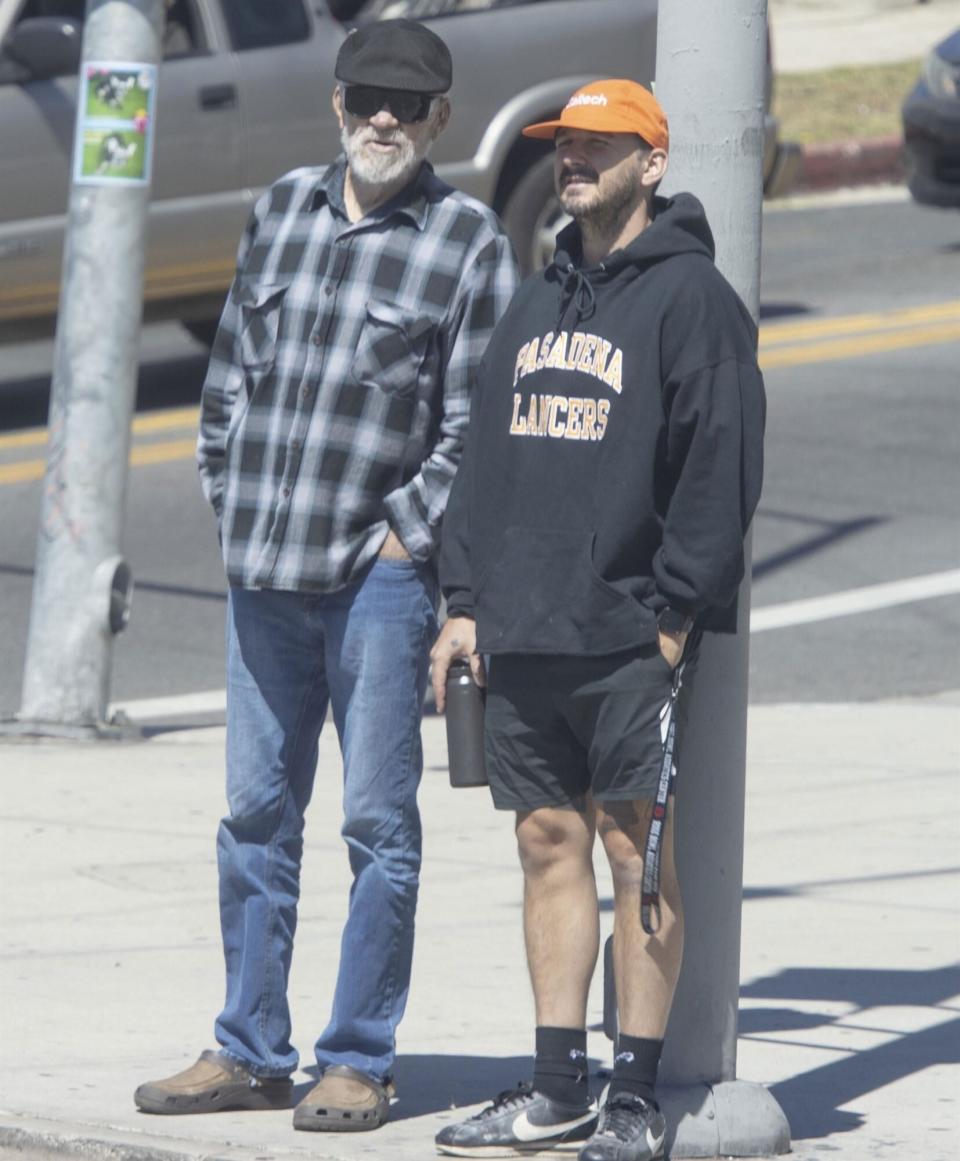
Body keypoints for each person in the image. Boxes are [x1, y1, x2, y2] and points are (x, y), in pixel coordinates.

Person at [134, 18, 518, 1133]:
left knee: (377, 827)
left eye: (406, 104)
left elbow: (472, 426)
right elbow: (231, 380)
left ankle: (358, 1057)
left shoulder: (467, 242)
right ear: (338, 105)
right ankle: (250, 1049)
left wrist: (404, 538)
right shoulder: (281, 209)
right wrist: (226, 491)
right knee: (254, 816)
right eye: (365, 99)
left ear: (440, 118)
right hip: (262, 566)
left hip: (377, 584)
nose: (382, 120)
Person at [429, 79, 765, 1161]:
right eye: (564, 146)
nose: (573, 161)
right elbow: (482, 464)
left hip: (630, 635)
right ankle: (555, 1082)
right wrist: (466, 603)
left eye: (597, 146)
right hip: (524, 629)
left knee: (635, 854)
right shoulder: (537, 297)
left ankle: (634, 1093)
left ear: (650, 162)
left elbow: (721, 466)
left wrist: (675, 612)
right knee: (545, 841)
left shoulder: (693, 300)